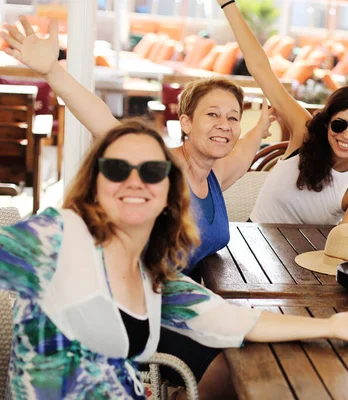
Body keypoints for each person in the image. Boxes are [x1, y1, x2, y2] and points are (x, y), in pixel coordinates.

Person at [0, 120, 348, 400]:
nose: (135, 180)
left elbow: (232, 319)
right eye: (117, 169)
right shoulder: (62, 237)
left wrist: (329, 326)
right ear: (95, 183)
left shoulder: (151, 272)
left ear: (168, 191)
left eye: (153, 170)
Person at [1, 16, 275, 278]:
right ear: (186, 123)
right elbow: (104, 123)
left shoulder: (216, 173)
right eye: (212, 114)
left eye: (233, 118)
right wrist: (52, 71)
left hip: (183, 304)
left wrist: (262, 125)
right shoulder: (161, 168)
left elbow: (245, 149)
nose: (224, 125)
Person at [216, 0, 348, 264]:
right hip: (252, 245)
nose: (347, 136)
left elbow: (347, 231)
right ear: (328, 121)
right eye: (339, 124)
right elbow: (260, 68)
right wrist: (228, 4)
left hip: (306, 259)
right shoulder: (304, 134)